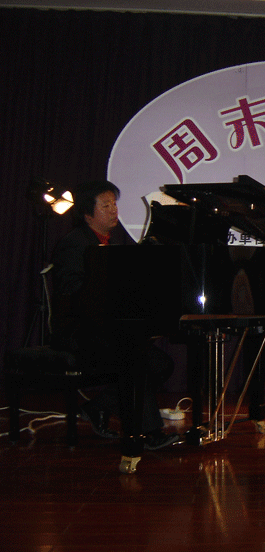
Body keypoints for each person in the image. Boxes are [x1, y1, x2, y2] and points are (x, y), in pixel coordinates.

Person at [50, 180, 179, 450]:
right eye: (106, 205)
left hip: (107, 329)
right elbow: (70, 291)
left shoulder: (112, 243)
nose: (113, 210)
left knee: (161, 364)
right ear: (87, 214)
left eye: (114, 204)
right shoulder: (75, 243)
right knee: (135, 356)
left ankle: (97, 407)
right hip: (79, 332)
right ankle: (147, 433)